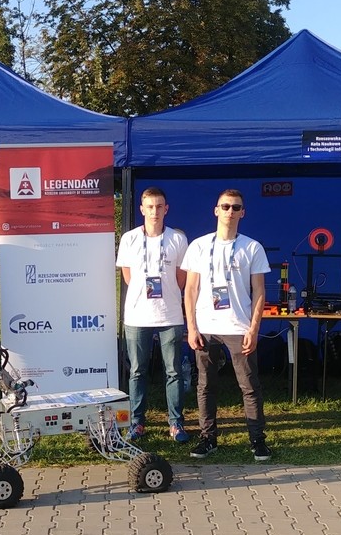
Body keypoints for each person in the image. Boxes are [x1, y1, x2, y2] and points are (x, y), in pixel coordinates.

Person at [182, 189, 271, 461]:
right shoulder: (198, 246)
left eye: (236, 207)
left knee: (249, 386)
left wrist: (253, 329)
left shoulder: (252, 247)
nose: (230, 211)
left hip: (238, 327)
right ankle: (208, 438)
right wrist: (192, 327)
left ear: (243, 212)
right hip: (206, 327)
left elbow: (259, 291)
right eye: (225, 206)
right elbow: (190, 289)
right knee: (205, 385)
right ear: (216, 210)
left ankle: (257, 441)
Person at [116, 186, 189, 443]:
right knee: (137, 371)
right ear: (142, 209)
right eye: (150, 207)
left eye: (159, 206)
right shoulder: (129, 239)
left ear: (166, 209)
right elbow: (128, 276)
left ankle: (176, 423)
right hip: (137, 315)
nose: (154, 211)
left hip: (170, 314)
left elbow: (181, 278)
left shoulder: (178, 239)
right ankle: (137, 422)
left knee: (174, 372)